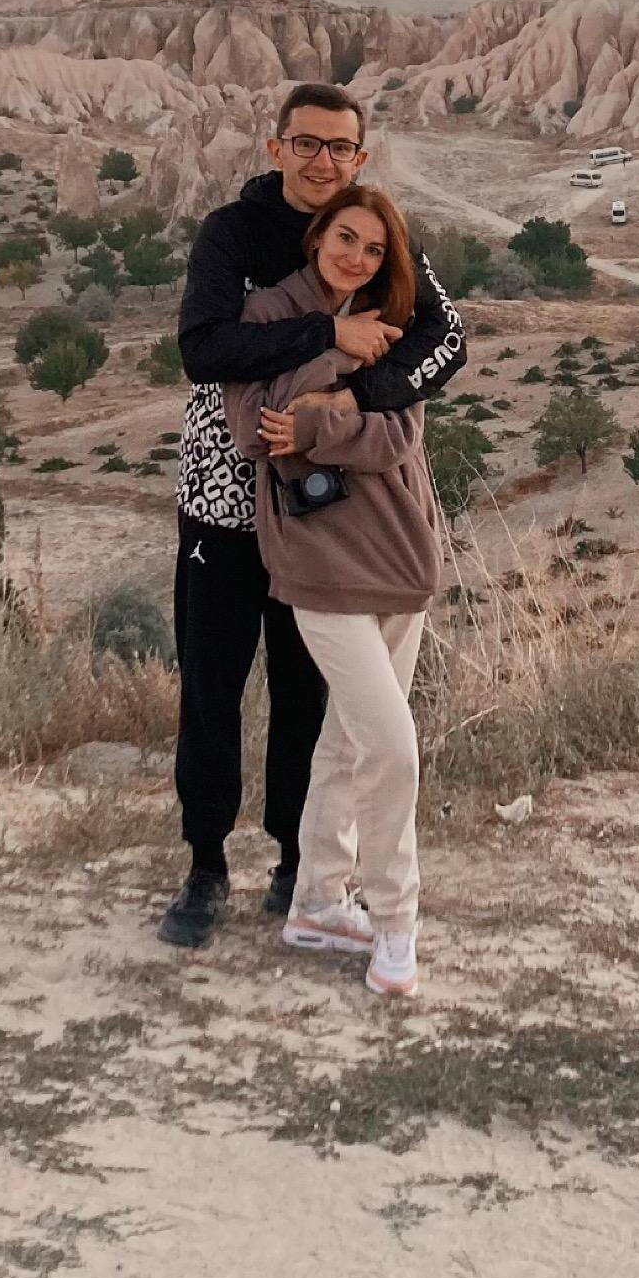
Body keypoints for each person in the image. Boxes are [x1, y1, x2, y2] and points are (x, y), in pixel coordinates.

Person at [160, 83, 464, 948]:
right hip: (225, 496)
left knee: (307, 695)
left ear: (360, 158)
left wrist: (355, 395)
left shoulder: (375, 233)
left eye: (339, 147)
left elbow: (447, 342)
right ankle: (204, 866)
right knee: (212, 686)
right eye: (307, 144)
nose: (322, 161)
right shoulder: (231, 234)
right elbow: (203, 348)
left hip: (325, 505)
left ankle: (298, 866)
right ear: (276, 147)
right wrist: (322, 344)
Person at [224, 185, 441, 999]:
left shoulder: (394, 318)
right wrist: (333, 352)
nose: (357, 257)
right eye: (345, 238)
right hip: (317, 559)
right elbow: (254, 430)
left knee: (347, 743)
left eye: (375, 249)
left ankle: (316, 902)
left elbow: (399, 434)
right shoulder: (265, 316)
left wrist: (316, 417)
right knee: (390, 745)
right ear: (318, 237)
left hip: (398, 549)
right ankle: (394, 920)